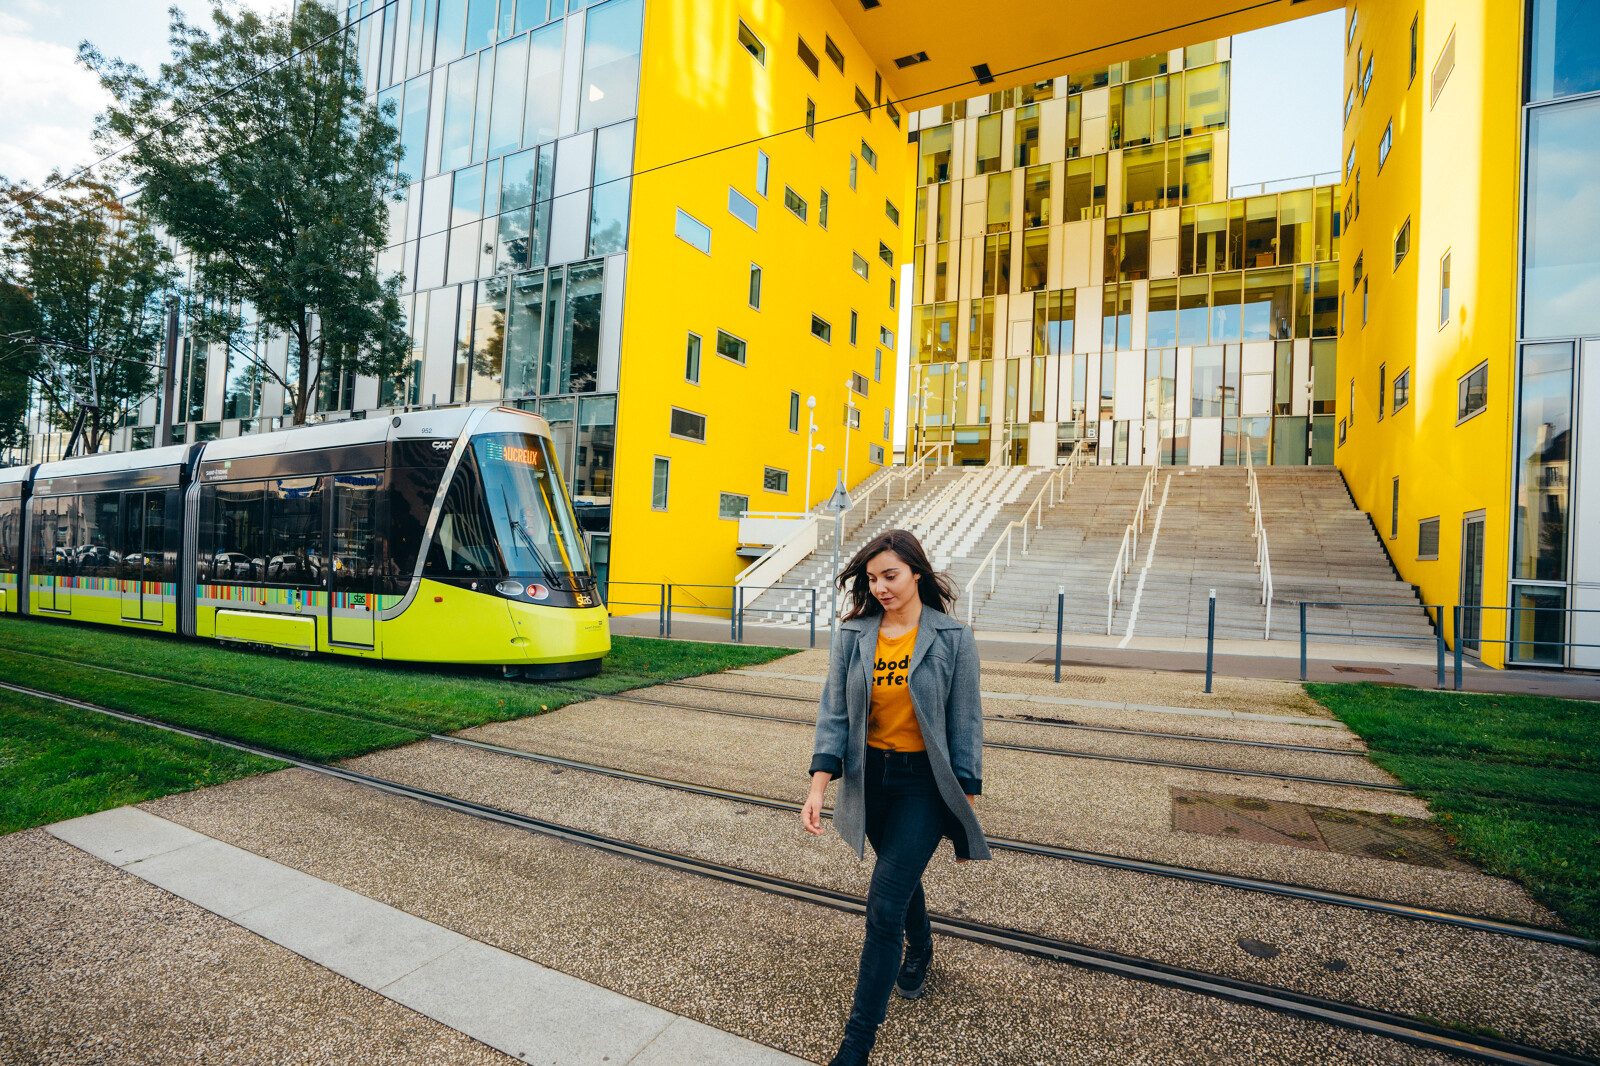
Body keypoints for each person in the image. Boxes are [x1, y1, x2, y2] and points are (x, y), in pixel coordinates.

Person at [801, 528, 990, 1066]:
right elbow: (834, 715)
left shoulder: (953, 637)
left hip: (924, 787)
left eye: (890, 576)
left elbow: (966, 725)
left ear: (916, 574)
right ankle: (922, 949)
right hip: (871, 782)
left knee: (883, 905)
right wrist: (818, 787)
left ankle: (856, 1044)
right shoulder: (853, 636)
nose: (880, 587)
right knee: (897, 879)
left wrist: (964, 809)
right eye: (872, 579)